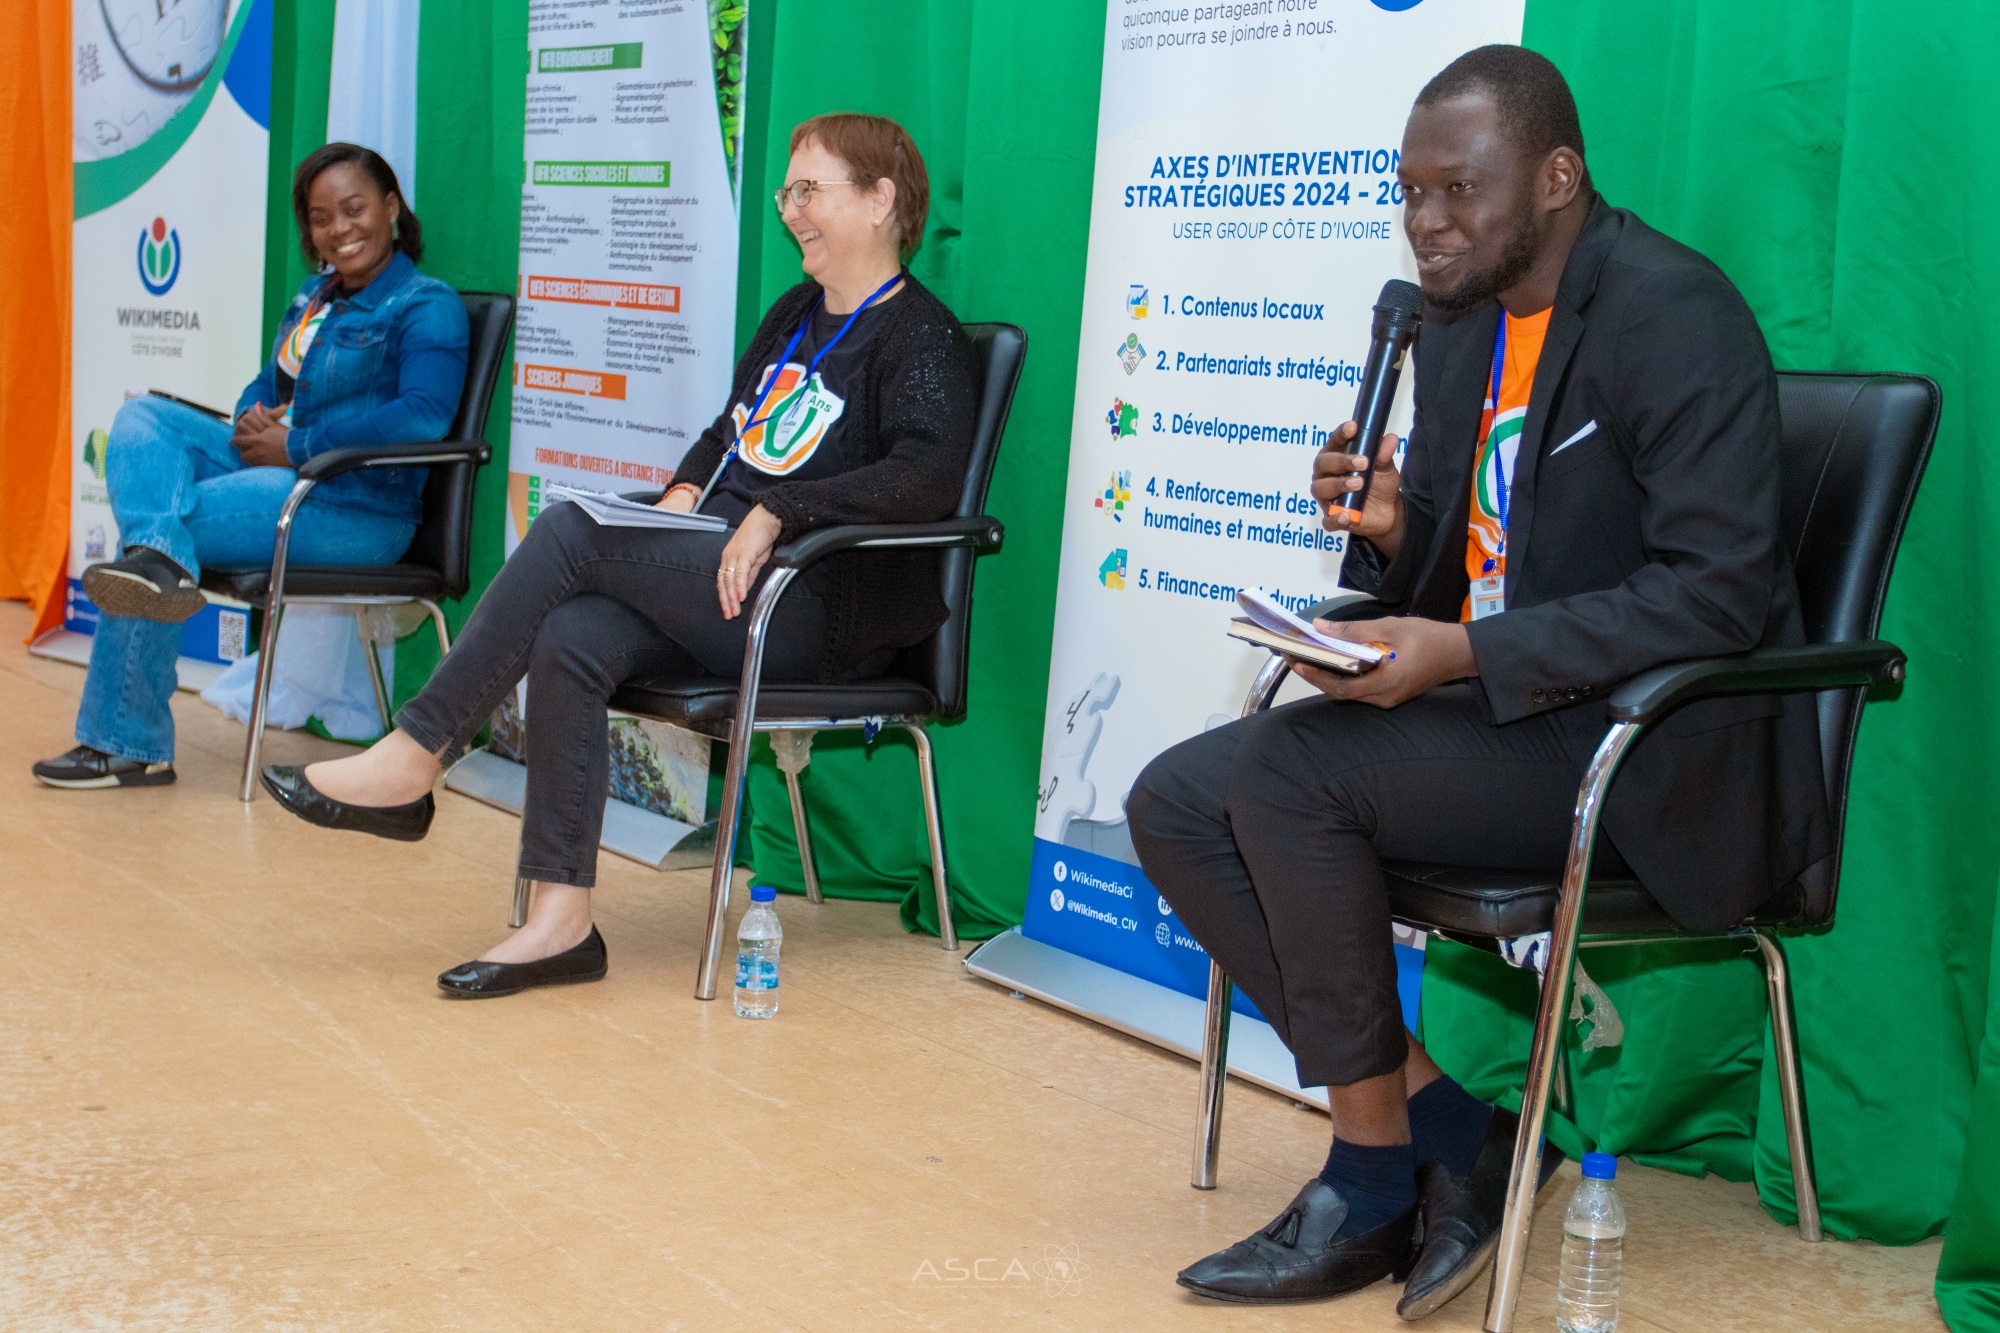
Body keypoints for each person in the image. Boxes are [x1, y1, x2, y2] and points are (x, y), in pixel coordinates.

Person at [1126, 46, 1829, 1317]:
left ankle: (1367, 1173)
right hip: (1508, 715)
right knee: (1176, 798)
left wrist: (1459, 650)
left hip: (1641, 743)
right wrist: (1399, 534)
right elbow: (1480, 551)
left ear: (1557, 177)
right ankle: (1448, 1126)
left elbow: (1714, 587)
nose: (1427, 223)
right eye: (1409, 193)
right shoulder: (1454, 323)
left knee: (1289, 769)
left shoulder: (1674, 312)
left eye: (1460, 190)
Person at [257, 113, 978, 999]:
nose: (791, 209)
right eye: (787, 190)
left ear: (880, 200)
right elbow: (731, 432)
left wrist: (781, 512)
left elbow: (925, 478)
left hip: (815, 609)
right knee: (575, 632)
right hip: (722, 584)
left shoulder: (921, 335)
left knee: (569, 530)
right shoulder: (795, 312)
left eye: (810, 190)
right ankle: (561, 922)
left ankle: (417, 752)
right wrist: (684, 493)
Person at [33, 144, 469, 791]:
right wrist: (251, 420)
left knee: (154, 542)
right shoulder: (313, 297)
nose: (340, 229)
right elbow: (267, 386)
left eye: (354, 209)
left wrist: (295, 445)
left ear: (390, 206)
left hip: (357, 508)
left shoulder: (425, 304)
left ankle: (128, 741)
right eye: (322, 217)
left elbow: (424, 416)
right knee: (144, 419)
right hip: (289, 479)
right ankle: (156, 564)